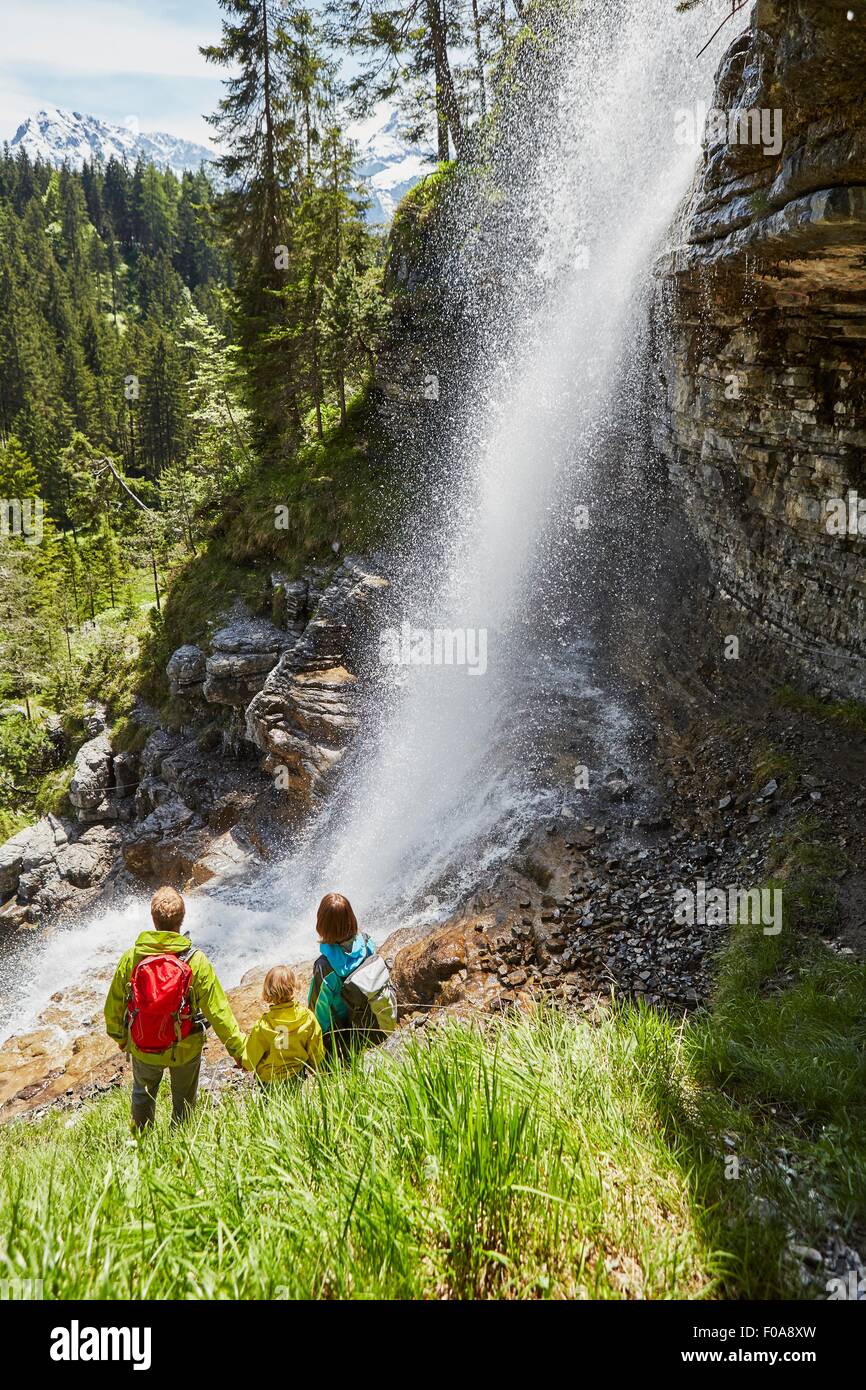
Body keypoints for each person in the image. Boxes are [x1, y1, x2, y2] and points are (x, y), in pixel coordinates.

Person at [104, 886, 245, 1130]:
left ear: (153, 919)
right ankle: (180, 1147)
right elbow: (219, 1011)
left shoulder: (132, 957)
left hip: (143, 1043)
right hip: (185, 1046)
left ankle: (141, 1144)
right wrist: (240, 1051)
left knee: (142, 1095)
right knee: (184, 1100)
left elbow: (113, 1005)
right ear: (182, 919)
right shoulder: (195, 960)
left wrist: (121, 1037)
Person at [308, 891, 376, 1053]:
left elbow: (318, 1008)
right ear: (351, 919)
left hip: (340, 1030)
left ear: (322, 926)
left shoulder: (324, 967)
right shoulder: (367, 943)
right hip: (367, 1016)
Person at [242, 964, 324, 1083]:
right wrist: (317, 1068)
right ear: (294, 987)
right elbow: (316, 1049)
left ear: (268, 991)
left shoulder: (263, 1025)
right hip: (296, 1075)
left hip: (269, 1079)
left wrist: (244, 1063)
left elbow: (249, 1060)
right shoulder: (307, 1017)